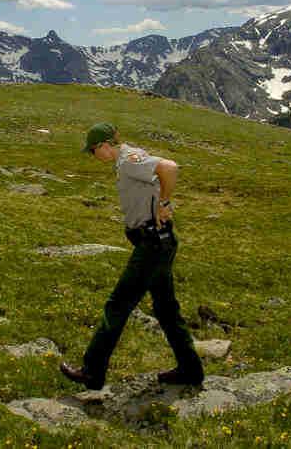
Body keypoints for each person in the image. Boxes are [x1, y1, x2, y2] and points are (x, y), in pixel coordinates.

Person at [60, 122, 204, 390]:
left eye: (93, 151)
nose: (95, 157)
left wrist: (164, 203)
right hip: (158, 242)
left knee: (118, 305)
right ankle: (190, 370)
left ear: (104, 145)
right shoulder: (129, 157)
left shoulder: (127, 161)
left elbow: (169, 168)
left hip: (152, 245)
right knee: (166, 308)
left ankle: (92, 371)